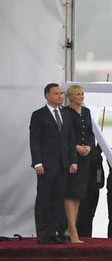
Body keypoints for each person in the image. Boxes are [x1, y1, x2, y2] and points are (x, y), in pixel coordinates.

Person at [29, 83, 77, 245]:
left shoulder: (66, 114)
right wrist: (37, 163)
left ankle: (54, 232)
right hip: (46, 165)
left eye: (61, 93)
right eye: (56, 93)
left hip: (63, 165)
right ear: (47, 96)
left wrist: (73, 161)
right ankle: (42, 234)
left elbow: (70, 140)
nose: (60, 96)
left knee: (58, 199)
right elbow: (34, 141)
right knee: (44, 199)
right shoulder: (39, 115)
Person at [63, 85, 94, 244]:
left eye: (82, 94)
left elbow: (90, 133)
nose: (81, 97)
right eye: (78, 94)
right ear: (71, 97)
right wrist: (75, 147)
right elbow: (65, 134)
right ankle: (72, 229)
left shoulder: (87, 112)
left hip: (84, 157)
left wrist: (89, 146)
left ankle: (71, 227)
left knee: (79, 193)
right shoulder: (66, 112)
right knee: (70, 192)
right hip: (71, 156)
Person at [76, 145, 104, 238]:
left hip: (94, 187)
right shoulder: (88, 153)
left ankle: (87, 235)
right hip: (85, 186)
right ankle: (82, 235)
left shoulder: (98, 155)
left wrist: (99, 182)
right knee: (83, 214)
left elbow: (99, 170)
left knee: (90, 215)